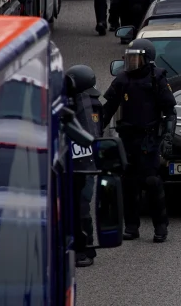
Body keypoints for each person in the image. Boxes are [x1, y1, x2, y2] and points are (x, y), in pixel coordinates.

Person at [101, 38, 175, 242]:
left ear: (148, 60)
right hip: (128, 138)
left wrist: (168, 137)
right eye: (129, 58)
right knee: (129, 183)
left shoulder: (157, 78)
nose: (132, 63)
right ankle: (132, 227)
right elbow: (108, 108)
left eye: (136, 59)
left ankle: (160, 227)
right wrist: (96, 128)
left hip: (149, 138)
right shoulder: (123, 79)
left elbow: (169, 111)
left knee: (152, 182)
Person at [65, 64, 102, 267]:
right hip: (68, 163)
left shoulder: (89, 104)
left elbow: (91, 136)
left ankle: (86, 249)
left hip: (83, 164)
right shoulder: (69, 102)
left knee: (81, 207)